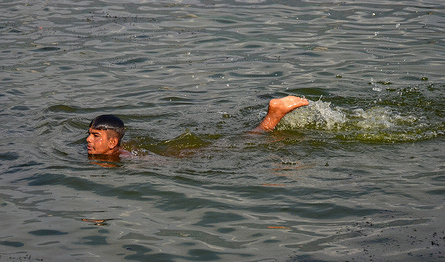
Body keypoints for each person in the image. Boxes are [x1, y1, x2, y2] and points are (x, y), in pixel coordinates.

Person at [86, 96, 309, 158]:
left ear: (113, 142)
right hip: (172, 152)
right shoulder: (115, 151)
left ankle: (274, 116)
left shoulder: (119, 157)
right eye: (89, 135)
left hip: (180, 158)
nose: (88, 140)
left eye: (96, 136)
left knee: (241, 142)